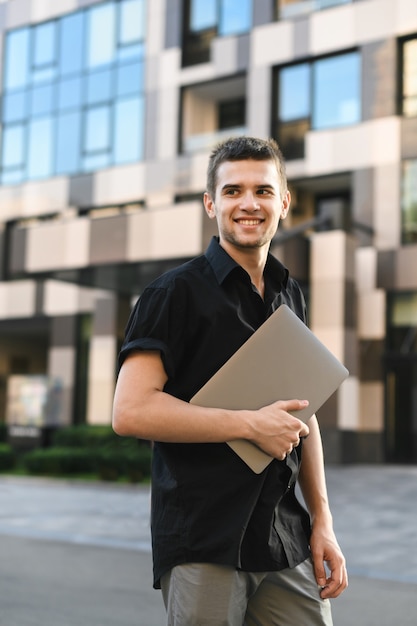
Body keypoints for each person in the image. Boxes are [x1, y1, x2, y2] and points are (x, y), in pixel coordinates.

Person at [112, 136, 347, 625]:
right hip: (204, 537)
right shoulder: (173, 294)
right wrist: (247, 424)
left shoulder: (289, 293)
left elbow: (305, 413)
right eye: (233, 190)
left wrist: (322, 522)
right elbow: (131, 411)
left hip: (285, 536)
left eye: (263, 190)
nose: (248, 203)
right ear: (210, 203)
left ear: (283, 202)